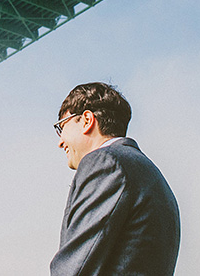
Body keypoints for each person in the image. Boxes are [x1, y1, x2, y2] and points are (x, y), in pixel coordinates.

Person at [50, 82, 180, 276]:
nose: (60, 142)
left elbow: (76, 268)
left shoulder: (105, 162)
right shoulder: (147, 172)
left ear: (86, 120)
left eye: (62, 127)